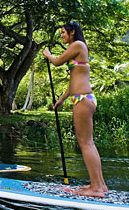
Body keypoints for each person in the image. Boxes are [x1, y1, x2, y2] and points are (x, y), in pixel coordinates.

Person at [43, 22, 108, 197]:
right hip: (81, 97)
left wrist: (48, 55)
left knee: (85, 143)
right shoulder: (77, 49)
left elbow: (56, 62)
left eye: (63, 32)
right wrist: (61, 100)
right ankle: (99, 185)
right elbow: (74, 83)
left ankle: (96, 189)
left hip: (83, 100)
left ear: (72, 32)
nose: (62, 36)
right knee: (88, 143)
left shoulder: (78, 45)